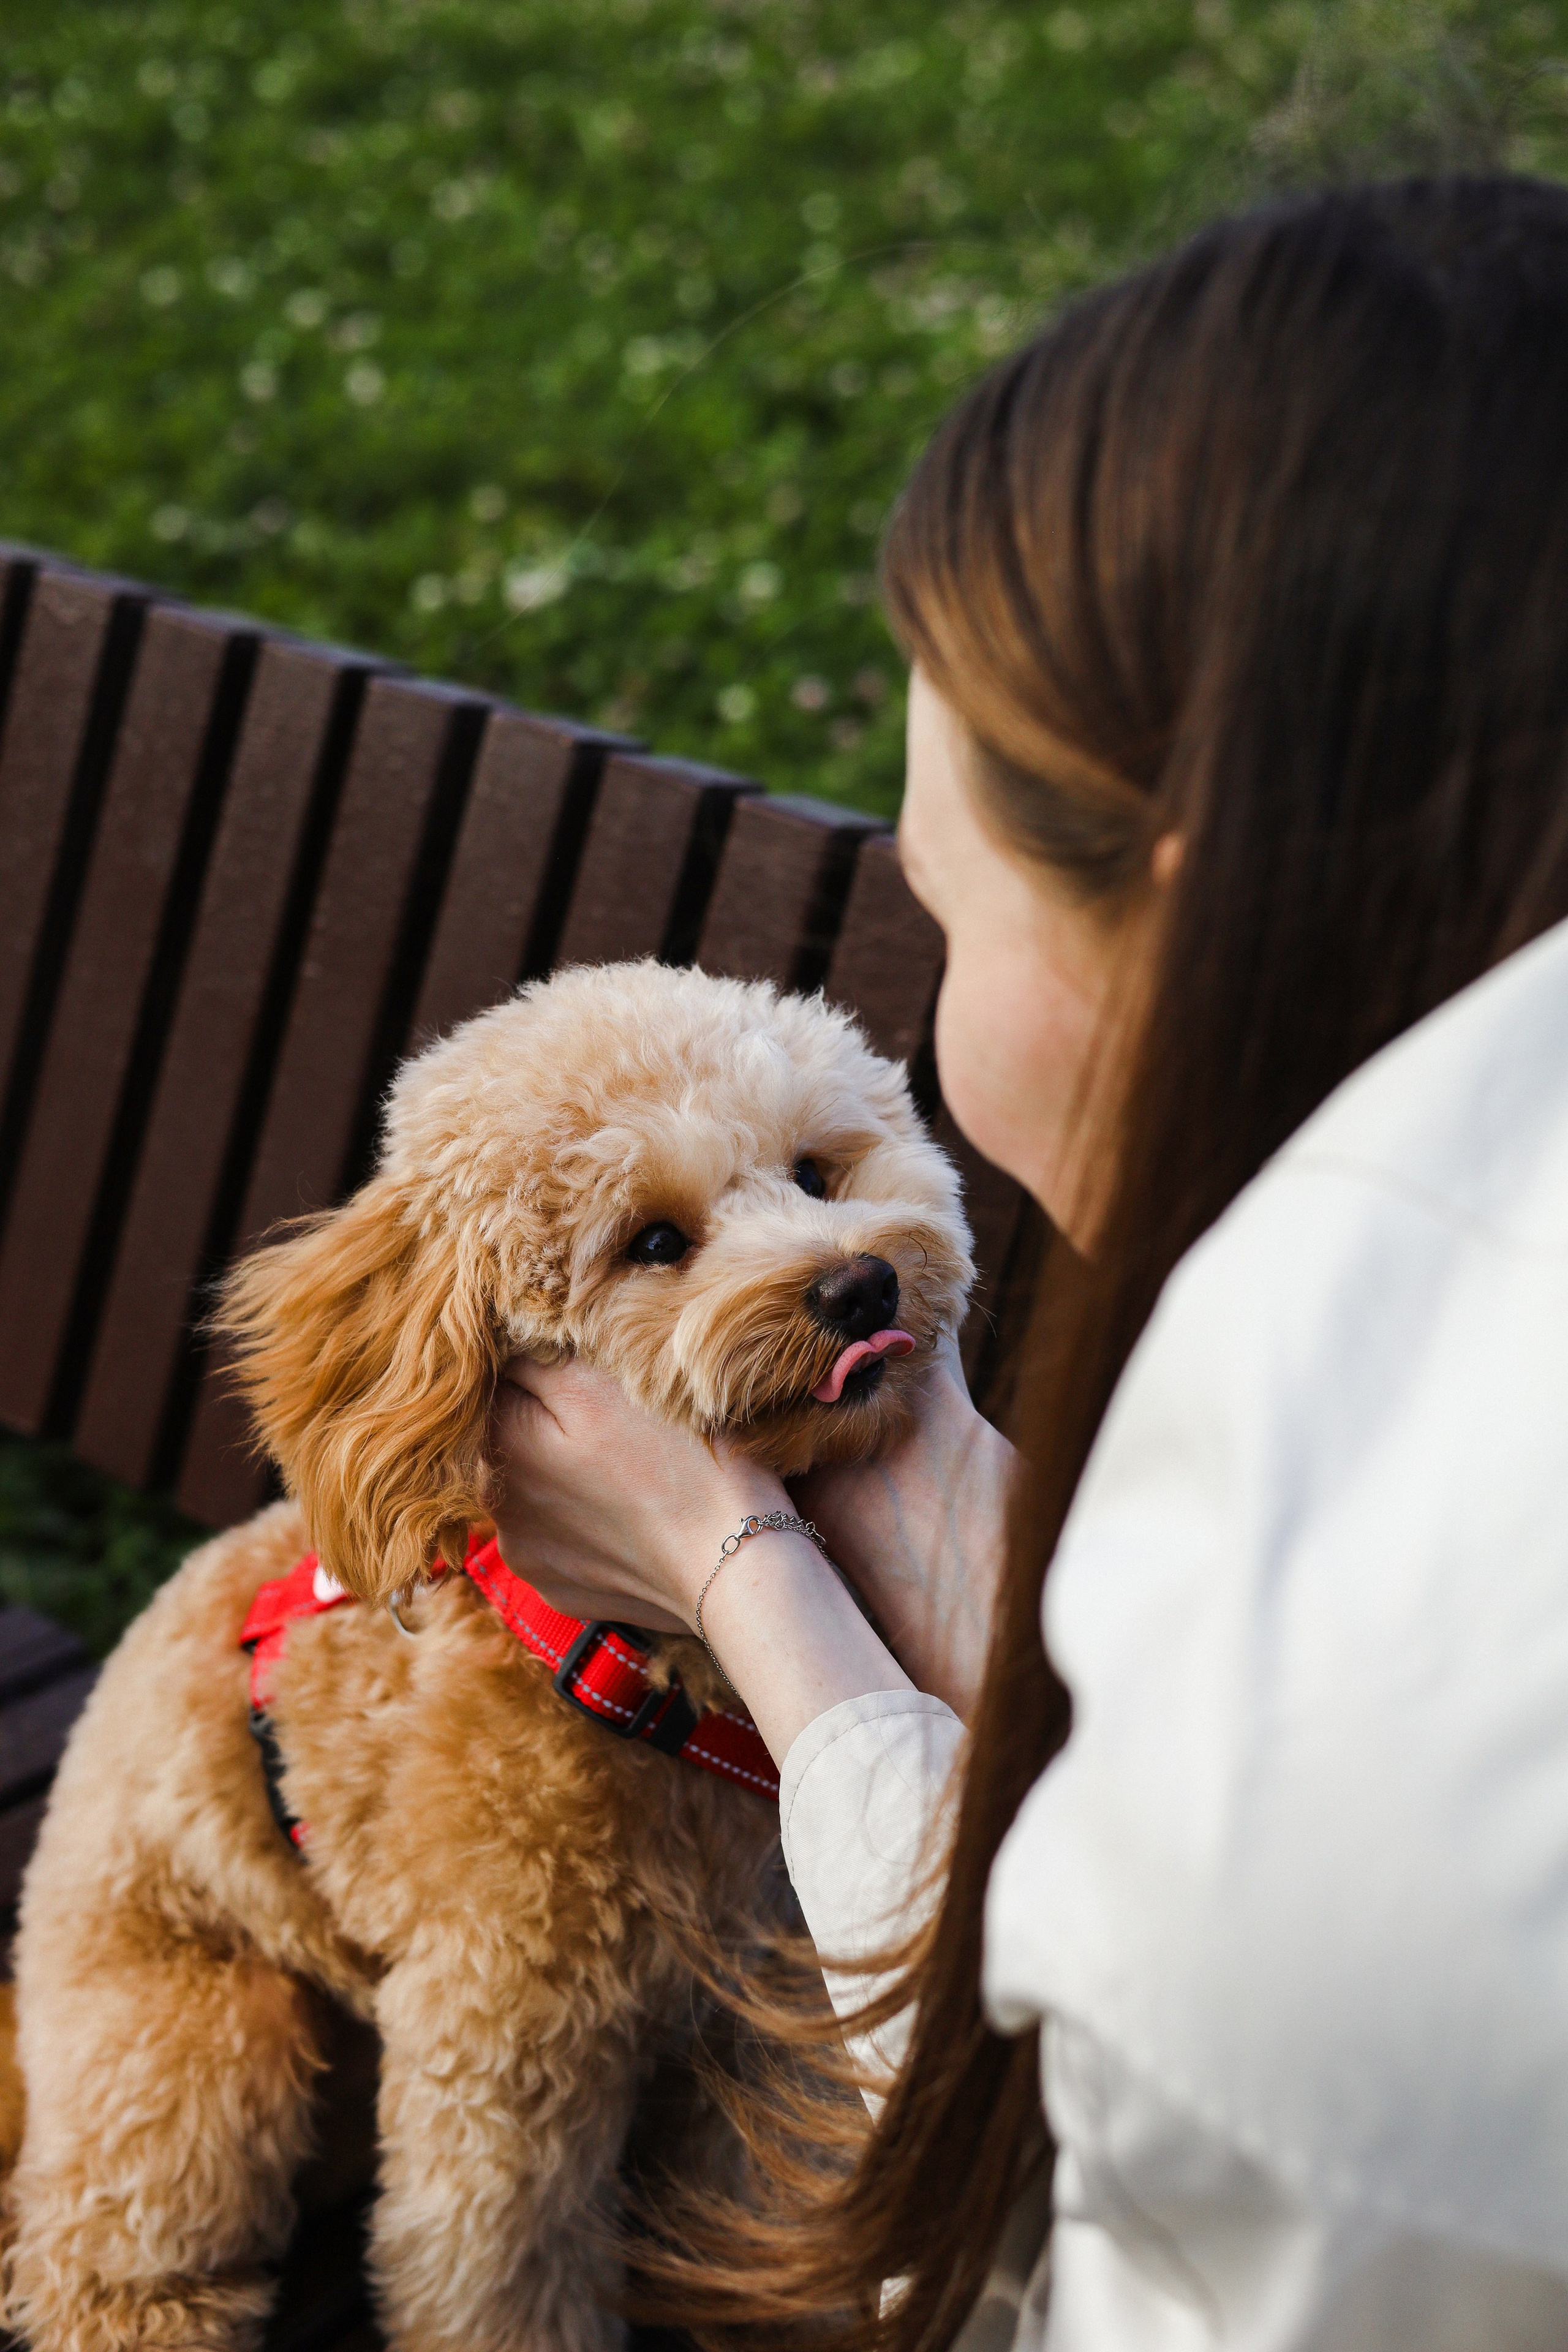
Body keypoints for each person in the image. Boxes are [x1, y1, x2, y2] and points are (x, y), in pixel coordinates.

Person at [486, 178, 1568, 2348]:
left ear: (1189, 895)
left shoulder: (1381, 1692)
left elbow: (1107, 2248)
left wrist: (748, 1585)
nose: (949, 1001)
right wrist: (961, 1514)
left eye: (952, 919)